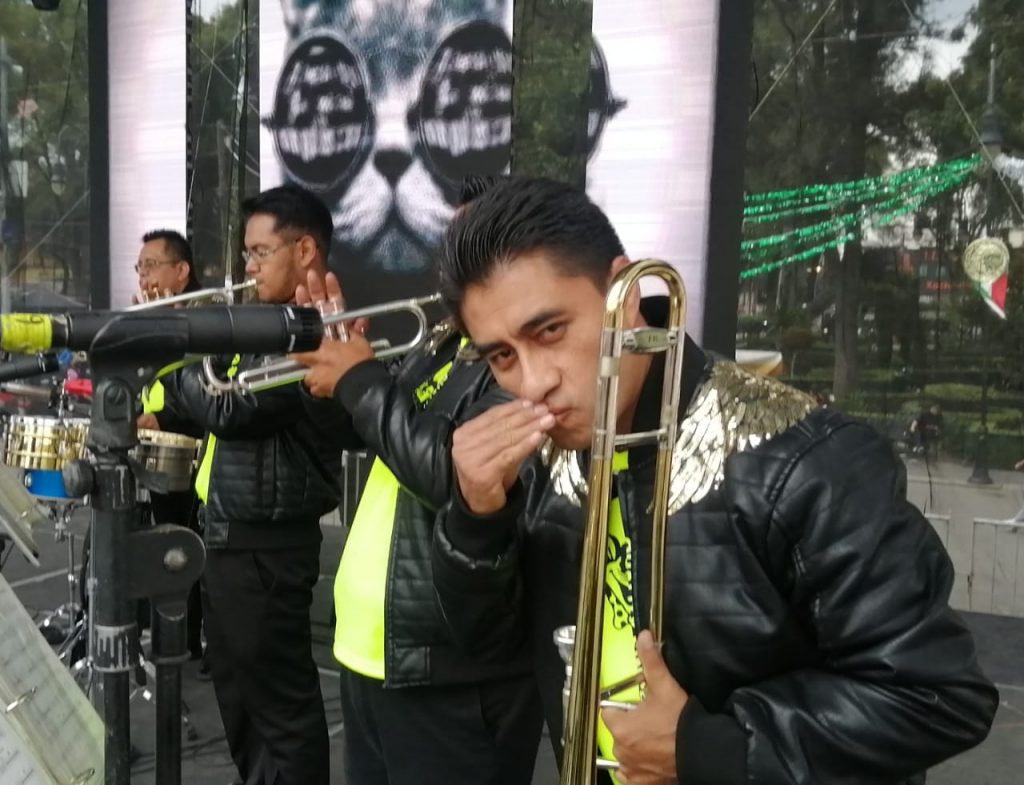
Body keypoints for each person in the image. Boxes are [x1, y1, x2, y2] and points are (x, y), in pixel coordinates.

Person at [429, 177, 997, 785]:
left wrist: (706, 747)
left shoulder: (802, 460)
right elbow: (490, 647)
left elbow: (936, 694)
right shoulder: (547, 452)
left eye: (550, 331)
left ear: (627, 295)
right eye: (502, 357)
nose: (533, 380)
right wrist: (475, 518)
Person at [289, 175, 543, 785]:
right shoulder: (443, 346)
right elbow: (373, 437)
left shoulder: (526, 357)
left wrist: (361, 382)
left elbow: (460, 475)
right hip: (372, 656)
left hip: (451, 676)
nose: (453, 266)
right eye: (451, 247)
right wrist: (331, 377)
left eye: (475, 248)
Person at [158, 184, 348, 785]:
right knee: (240, 701)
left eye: (261, 252)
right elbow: (205, 403)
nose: (249, 267)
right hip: (230, 538)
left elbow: (231, 410)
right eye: (247, 254)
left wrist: (191, 340)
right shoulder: (264, 327)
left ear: (307, 251)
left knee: (280, 710)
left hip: (267, 548)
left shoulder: (309, 333)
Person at [134, 228, 203, 303]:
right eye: (140, 266)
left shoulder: (207, 308)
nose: (142, 272)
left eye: (151, 264)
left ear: (181, 270)